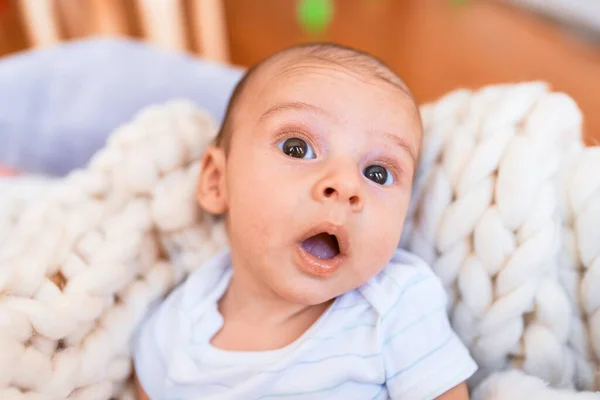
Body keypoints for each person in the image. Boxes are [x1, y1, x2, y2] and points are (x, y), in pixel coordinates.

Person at [133, 42, 477, 399]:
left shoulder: (396, 306)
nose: (345, 185)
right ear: (217, 181)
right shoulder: (174, 331)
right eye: (297, 148)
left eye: (377, 174)